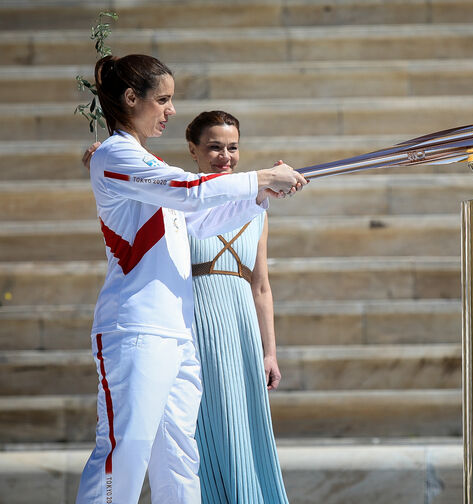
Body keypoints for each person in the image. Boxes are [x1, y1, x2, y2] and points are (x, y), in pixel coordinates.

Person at [76, 54, 306, 504]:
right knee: (124, 455)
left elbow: (195, 221)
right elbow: (192, 190)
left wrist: (260, 194)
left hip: (177, 334)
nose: (171, 110)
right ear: (130, 98)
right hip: (135, 329)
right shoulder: (116, 154)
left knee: (181, 458)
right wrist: (259, 176)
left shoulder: (143, 161)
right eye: (162, 99)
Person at [185, 111, 289, 503]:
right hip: (198, 324)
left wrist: (270, 352)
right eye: (213, 147)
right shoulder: (181, 197)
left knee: (246, 429)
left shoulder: (257, 206)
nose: (224, 156)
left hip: (241, 326)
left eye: (232, 147)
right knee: (208, 429)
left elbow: (261, 287)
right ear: (193, 150)